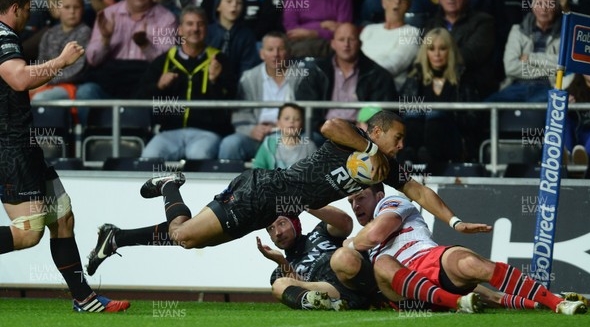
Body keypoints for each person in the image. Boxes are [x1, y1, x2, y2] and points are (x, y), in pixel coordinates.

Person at [86, 110, 492, 279]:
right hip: (263, 189)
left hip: (273, 206)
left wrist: (454, 221)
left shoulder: (392, 169)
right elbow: (330, 124)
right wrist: (366, 148)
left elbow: (419, 190)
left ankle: (117, 236)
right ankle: (168, 184)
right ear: (378, 131)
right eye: (398, 137)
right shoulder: (354, 140)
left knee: (187, 239)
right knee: (185, 237)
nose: (402, 145)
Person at [0, 0, 129, 312]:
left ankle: (83, 299)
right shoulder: (2, 36)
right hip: (10, 149)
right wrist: (60, 60)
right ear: (16, 8)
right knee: (29, 234)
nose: (31, 13)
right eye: (28, 8)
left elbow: (22, 79)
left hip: (23, 145)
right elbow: (19, 79)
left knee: (63, 217)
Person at [339, 185, 587, 315]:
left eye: (360, 197)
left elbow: (372, 236)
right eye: (350, 201)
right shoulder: (355, 237)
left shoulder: (393, 202)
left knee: (470, 263)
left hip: (429, 260)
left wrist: (354, 242)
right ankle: (458, 302)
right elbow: (359, 244)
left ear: (379, 195)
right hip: (403, 294)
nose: (355, 205)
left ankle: (556, 303)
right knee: (383, 262)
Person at [134, 6, 235, 160]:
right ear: (180, 30)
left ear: (206, 30)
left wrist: (215, 81)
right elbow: (141, 99)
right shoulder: (164, 61)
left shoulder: (220, 60)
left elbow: (232, 99)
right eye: (189, 24)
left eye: (200, 24)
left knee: (198, 156)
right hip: (169, 132)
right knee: (149, 157)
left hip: (207, 132)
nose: (195, 29)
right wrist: (159, 86)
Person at [256, 205, 372, 310]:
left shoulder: (321, 232)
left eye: (282, 223)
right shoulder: (281, 270)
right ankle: (331, 305)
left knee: (342, 256)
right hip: (332, 292)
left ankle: (377, 295)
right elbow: (301, 285)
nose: (277, 233)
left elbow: (346, 223)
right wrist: (281, 261)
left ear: (295, 224)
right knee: (278, 285)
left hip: (355, 280)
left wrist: (304, 204)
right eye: (270, 229)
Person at [295, 23, 397, 138]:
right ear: (333, 44)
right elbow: (303, 105)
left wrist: (367, 127)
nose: (346, 44)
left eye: (351, 39)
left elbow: (386, 112)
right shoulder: (317, 71)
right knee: (308, 140)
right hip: (323, 131)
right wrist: (321, 127)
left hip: (361, 133)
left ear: (359, 43)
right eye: (341, 39)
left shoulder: (377, 74)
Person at [84, 0, 178, 99]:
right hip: (110, 80)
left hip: (146, 80)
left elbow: (167, 64)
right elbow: (93, 60)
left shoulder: (167, 18)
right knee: (86, 91)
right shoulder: (108, 14)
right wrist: (105, 40)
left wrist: (145, 45)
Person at [218, 30, 302, 161]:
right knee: (230, 144)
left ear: (289, 52)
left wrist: (288, 129)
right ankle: (233, 182)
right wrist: (252, 130)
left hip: (291, 135)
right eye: (270, 49)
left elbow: (307, 112)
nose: (276, 54)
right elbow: (240, 112)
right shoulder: (249, 77)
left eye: (280, 49)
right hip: (257, 135)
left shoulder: (302, 77)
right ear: (261, 54)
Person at [399, 27, 479, 164]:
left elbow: (473, 120)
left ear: (451, 51)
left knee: (436, 116)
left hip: (453, 140)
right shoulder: (414, 79)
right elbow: (401, 114)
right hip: (416, 141)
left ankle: (428, 157)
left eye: (442, 49)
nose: (437, 54)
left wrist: (446, 115)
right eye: (431, 49)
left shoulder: (464, 79)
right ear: (425, 52)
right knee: (413, 115)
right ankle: (410, 158)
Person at [30, 0, 96, 125]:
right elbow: (40, 62)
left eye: (76, 7)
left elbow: (77, 70)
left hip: (72, 86)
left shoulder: (85, 32)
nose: (72, 11)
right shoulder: (49, 34)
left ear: (83, 9)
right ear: (57, 10)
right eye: (67, 7)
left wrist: (46, 81)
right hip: (46, 83)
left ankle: (50, 142)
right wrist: (36, 81)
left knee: (40, 99)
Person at [486, 0, 561, 103]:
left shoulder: (565, 34)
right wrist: (548, 69)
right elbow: (510, 67)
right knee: (487, 106)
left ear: (556, 7)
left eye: (549, 4)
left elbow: (563, 66)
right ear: (532, 6)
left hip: (548, 88)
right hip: (516, 86)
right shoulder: (517, 30)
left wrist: (530, 58)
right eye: (539, 3)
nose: (544, 8)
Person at [425, 0, 497, 99]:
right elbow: (423, 55)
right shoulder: (430, 25)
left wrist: (437, 58)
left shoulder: (483, 22)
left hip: (470, 87)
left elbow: (471, 54)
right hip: (433, 85)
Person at [359, 0, 420, 91]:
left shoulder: (412, 33)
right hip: (358, 85)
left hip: (384, 92)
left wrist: (358, 74)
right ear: (383, 2)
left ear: (408, 5)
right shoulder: (369, 30)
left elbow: (393, 65)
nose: (397, 2)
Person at [282, 0, 353, 58]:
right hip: (299, 41)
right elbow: (291, 30)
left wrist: (314, 33)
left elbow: (343, 31)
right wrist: (322, 25)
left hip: (329, 42)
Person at [206, 0, 261, 83]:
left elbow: (247, 70)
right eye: (229, 1)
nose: (234, 5)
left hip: (236, 89)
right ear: (218, 6)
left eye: (239, 3)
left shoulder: (247, 35)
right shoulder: (207, 32)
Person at [252, 103, 317, 169]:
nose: (291, 121)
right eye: (286, 118)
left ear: (302, 124)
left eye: (297, 119)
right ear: (278, 123)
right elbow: (257, 167)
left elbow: (315, 171)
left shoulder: (309, 146)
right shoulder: (268, 144)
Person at [564, 74, 590, 166]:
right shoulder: (571, 91)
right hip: (576, 137)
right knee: (562, 116)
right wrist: (564, 107)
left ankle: (583, 161)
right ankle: (565, 156)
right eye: (589, 65)